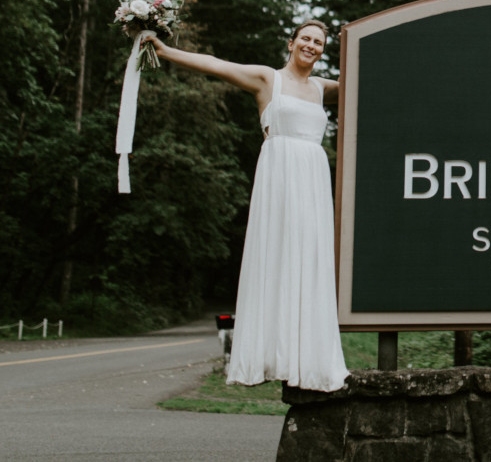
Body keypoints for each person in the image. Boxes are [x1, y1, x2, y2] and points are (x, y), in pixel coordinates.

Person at [148, 20, 349, 392]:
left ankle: (310, 359)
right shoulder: (266, 79)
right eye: (305, 38)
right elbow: (215, 64)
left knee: (310, 258)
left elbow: (374, 79)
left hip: (313, 178)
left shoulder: (325, 89)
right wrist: (163, 49)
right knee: (277, 256)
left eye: (319, 42)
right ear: (291, 43)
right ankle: (271, 354)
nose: (312, 45)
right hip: (280, 174)